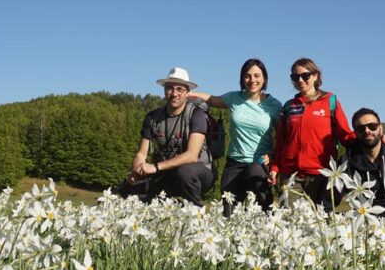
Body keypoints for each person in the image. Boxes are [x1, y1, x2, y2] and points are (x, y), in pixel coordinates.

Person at [189, 58, 283, 214]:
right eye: (247, 76)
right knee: (228, 211)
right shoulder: (234, 98)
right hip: (235, 162)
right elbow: (211, 99)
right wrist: (187, 93)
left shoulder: (274, 105)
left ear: (264, 78)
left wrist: (272, 154)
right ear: (242, 79)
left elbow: (282, 136)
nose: (252, 80)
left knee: (263, 207)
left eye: (257, 75)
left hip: (260, 163)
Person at [120, 67, 214, 206]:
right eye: (169, 88)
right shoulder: (152, 117)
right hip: (167, 171)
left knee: (185, 172)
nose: (174, 93)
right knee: (128, 193)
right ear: (164, 90)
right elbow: (141, 154)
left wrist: (155, 167)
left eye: (179, 89)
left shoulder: (196, 114)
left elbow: (192, 155)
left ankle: (196, 213)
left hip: (199, 172)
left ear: (187, 92)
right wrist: (136, 172)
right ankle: (174, 206)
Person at [268, 57, 355, 208]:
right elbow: (281, 143)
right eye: (295, 77)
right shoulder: (289, 107)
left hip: (322, 175)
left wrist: (371, 136)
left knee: (320, 224)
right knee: (290, 224)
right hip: (291, 175)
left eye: (305, 75)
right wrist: (275, 167)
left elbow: (345, 135)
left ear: (315, 76)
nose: (300, 80)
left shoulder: (330, 102)